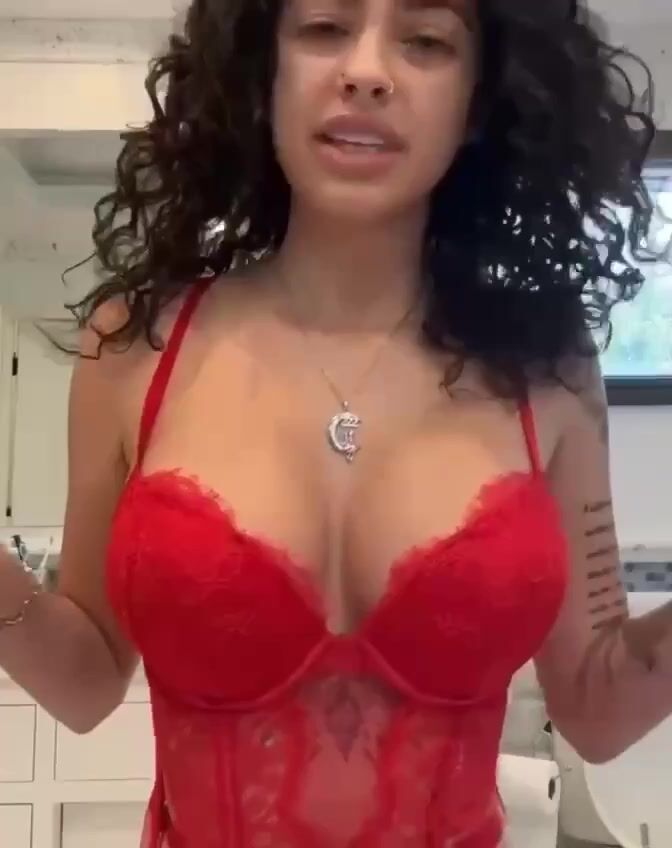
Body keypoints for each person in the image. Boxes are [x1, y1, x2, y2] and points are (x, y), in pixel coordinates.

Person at [1, 0, 671, 845]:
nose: (366, 71)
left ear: (479, 100)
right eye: (323, 27)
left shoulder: (549, 369)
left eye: (425, 41)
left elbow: (599, 710)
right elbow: (85, 683)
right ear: (262, 72)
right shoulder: (135, 348)